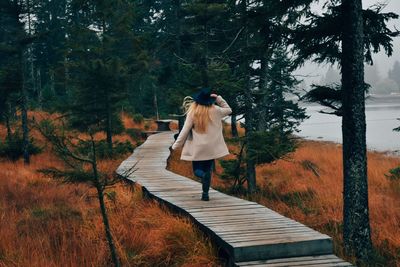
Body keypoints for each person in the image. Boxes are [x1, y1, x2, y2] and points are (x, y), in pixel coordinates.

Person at [171, 88, 232, 201]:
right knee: (208, 169)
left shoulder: (194, 112)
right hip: (211, 148)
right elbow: (229, 110)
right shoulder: (216, 110)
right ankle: (205, 194)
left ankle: (203, 176)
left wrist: (176, 145)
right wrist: (218, 98)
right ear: (210, 99)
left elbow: (185, 130)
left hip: (198, 148)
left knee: (197, 170)